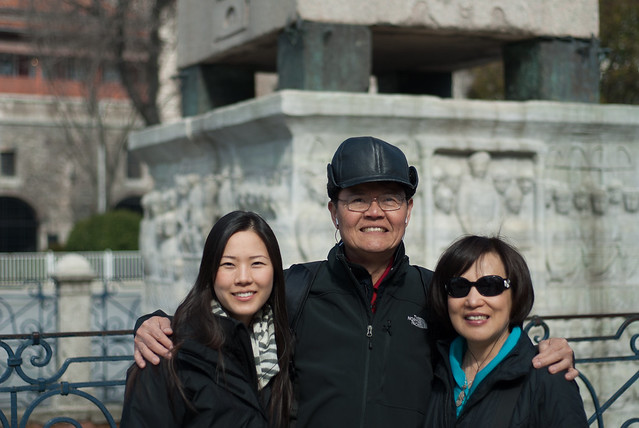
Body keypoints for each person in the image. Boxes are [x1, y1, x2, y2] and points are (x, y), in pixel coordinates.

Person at [132, 136, 578, 428]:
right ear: (334, 211)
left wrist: (547, 352)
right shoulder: (296, 293)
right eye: (357, 199)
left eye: (390, 198)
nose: (374, 212)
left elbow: (486, 334)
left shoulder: (434, 295)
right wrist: (157, 323)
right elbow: (224, 321)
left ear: (408, 210)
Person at [121, 211, 293, 428]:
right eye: (228, 264)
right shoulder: (166, 353)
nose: (243, 278)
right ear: (210, 272)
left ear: (275, 270)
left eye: (257, 263)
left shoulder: (286, 345)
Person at [424, 235, 588, 427]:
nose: (473, 301)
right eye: (459, 287)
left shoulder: (548, 375)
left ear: (516, 294)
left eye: (490, 286)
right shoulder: (434, 368)